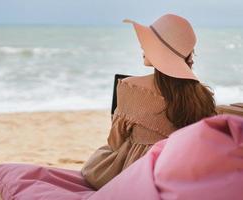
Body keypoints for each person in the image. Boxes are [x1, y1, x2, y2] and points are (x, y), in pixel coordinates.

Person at [81, 14, 217, 190]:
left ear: (159, 50)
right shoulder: (202, 95)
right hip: (180, 172)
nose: (142, 46)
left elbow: (115, 141)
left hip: (138, 172)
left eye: (149, 43)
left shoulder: (131, 87)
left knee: (97, 162)